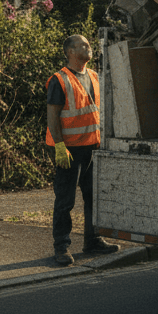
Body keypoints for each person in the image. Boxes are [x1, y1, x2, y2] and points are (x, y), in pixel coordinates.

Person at [46, 34, 120, 266]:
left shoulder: (95, 76)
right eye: (82, 45)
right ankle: (61, 247)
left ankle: (92, 240)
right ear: (70, 52)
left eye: (88, 44)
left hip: (91, 147)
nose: (88, 48)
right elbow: (52, 116)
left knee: (92, 197)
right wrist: (59, 147)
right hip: (68, 149)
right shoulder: (59, 79)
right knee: (65, 200)